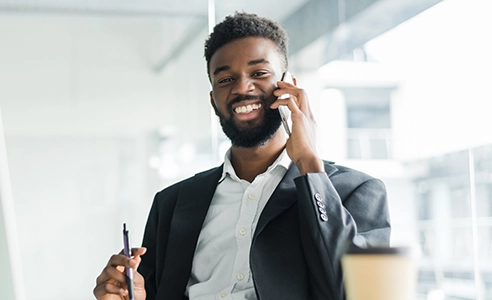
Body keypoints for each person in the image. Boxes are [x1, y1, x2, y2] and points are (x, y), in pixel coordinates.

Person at [93, 12, 390, 300]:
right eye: (225, 80)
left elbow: (356, 293)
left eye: (259, 73)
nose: (242, 88)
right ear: (214, 100)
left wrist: (310, 165)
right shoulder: (171, 204)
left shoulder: (355, 192)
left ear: (288, 86)